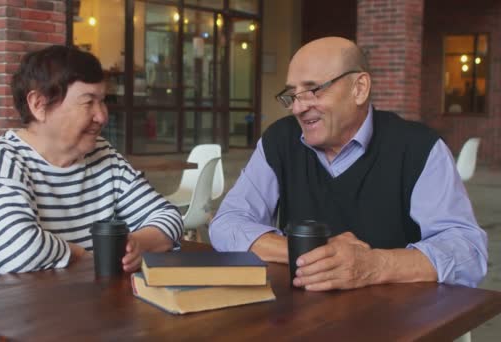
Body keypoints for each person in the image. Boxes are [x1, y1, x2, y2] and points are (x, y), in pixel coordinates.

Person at [209, 37, 487, 290]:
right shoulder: (280, 140)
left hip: (397, 320)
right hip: (300, 319)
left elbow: (467, 252)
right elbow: (227, 222)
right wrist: (313, 253)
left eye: (313, 90)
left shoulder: (418, 148)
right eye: (292, 94)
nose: (297, 107)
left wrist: (373, 265)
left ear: (359, 88)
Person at [0, 45, 183, 280]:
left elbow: (168, 216)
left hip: (80, 305)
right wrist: (80, 254)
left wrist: (139, 244)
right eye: (88, 102)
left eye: (102, 101)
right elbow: (14, 249)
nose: (102, 116)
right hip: (0, 310)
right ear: (39, 104)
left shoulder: (104, 156)